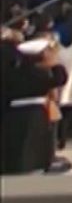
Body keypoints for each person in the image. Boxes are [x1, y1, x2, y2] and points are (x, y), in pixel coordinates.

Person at [1, 39, 67, 174]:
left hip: (14, 113)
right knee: (33, 143)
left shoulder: (13, 71)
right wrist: (55, 65)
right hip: (35, 112)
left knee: (18, 143)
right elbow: (59, 79)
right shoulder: (38, 72)